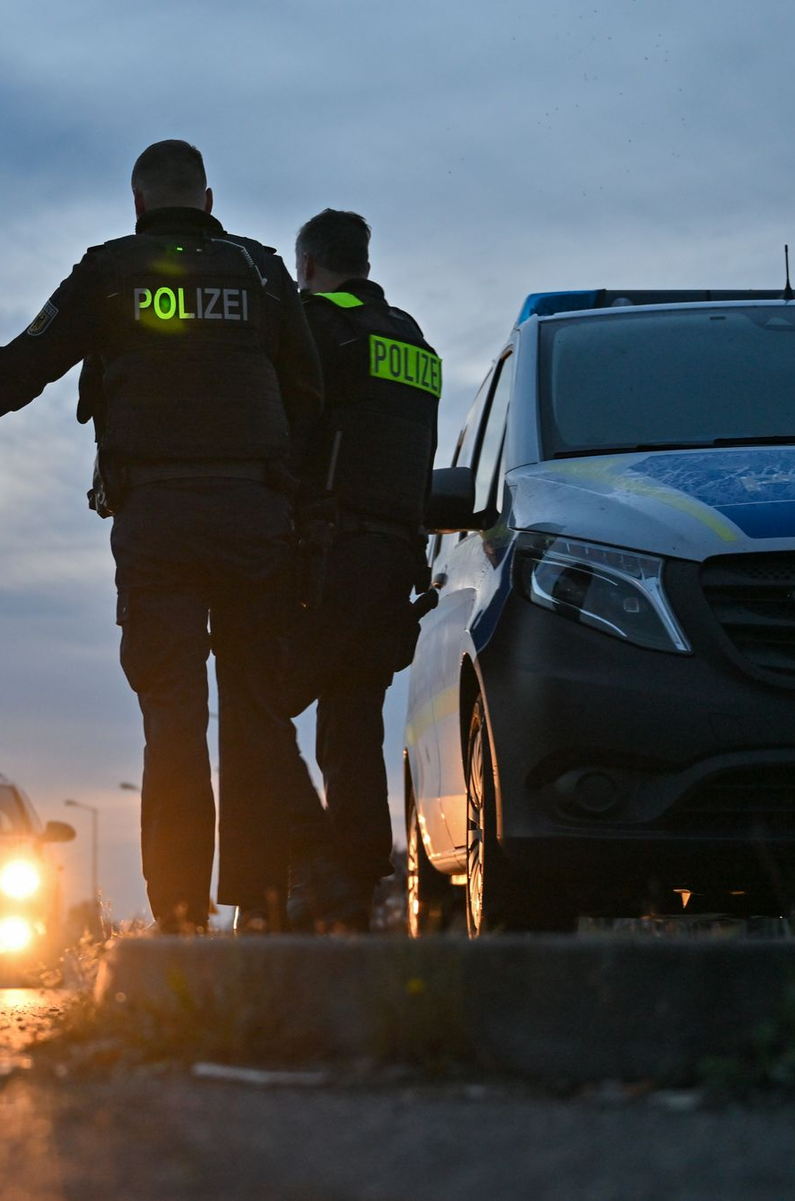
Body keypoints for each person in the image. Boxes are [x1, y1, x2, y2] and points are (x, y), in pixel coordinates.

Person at [0, 140, 322, 932]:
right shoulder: (260, 271)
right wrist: (293, 505)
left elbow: (20, 367)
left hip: (157, 521)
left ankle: (178, 919)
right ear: (207, 199)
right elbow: (308, 392)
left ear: (138, 203)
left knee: (173, 716)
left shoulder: (109, 270)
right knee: (258, 713)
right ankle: (265, 913)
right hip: (256, 517)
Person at [284, 208, 442, 931]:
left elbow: (291, 437)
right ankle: (352, 894)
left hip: (326, 557)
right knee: (352, 733)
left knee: (261, 706)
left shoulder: (317, 326)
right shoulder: (413, 339)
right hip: (393, 568)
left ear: (309, 265)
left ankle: (313, 875)